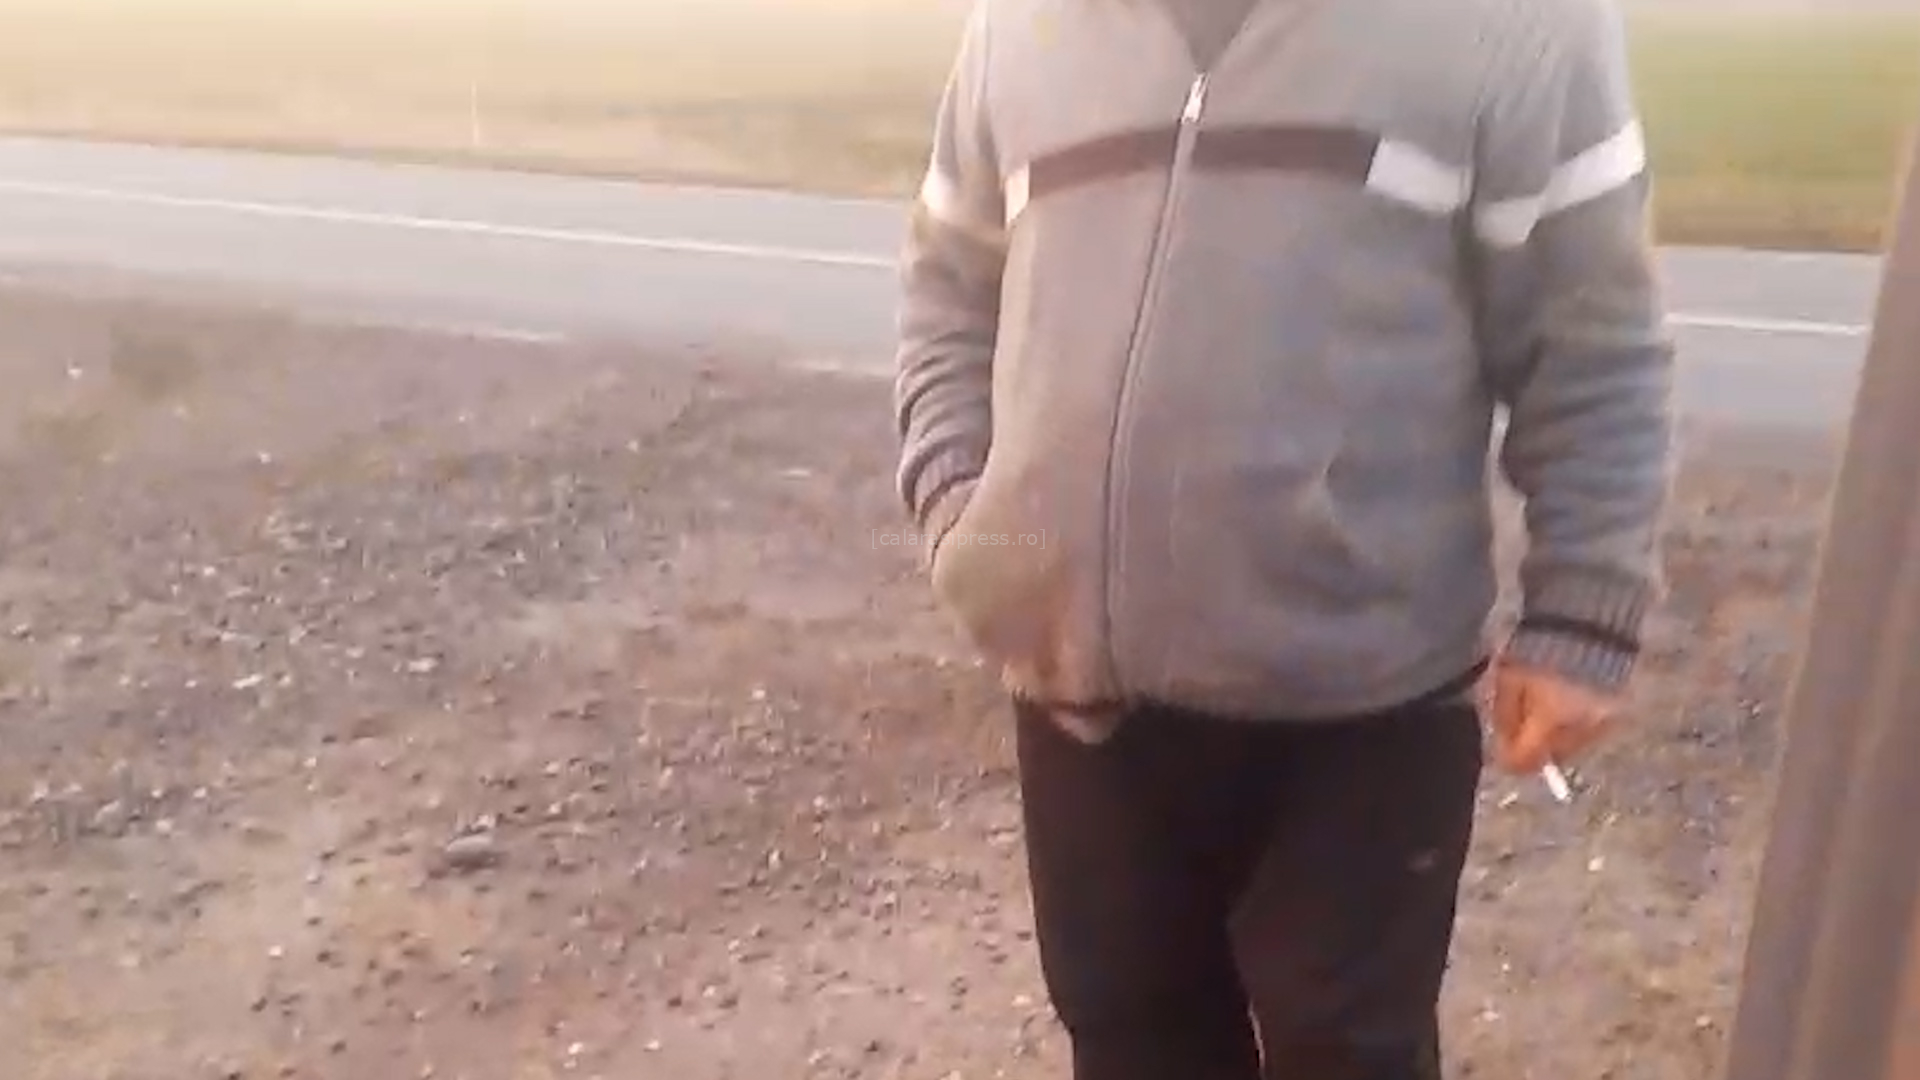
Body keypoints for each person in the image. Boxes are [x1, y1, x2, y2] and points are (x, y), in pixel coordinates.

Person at [890, 0, 1676, 1075]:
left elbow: (1594, 341)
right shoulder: (1020, 26)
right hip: (1081, 702)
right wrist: (967, 528)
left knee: (1346, 1054)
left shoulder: (1516, 23)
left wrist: (1584, 610)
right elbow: (948, 291)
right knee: (1130, 1043)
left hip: (1364, 711)